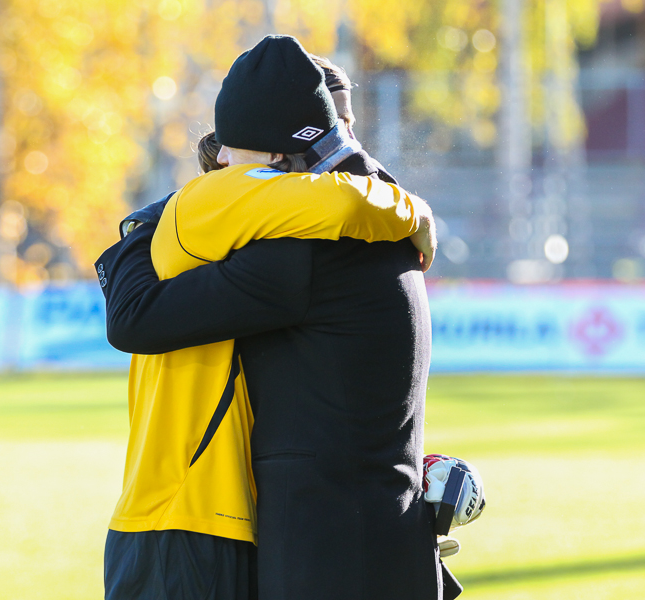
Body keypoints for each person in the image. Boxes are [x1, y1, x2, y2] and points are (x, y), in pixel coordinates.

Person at [99, 35, 461, 599]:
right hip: (359, 535)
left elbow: (132, 319)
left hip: (266, 540)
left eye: (233, 148)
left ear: (273, 158)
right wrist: (411, 207)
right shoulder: (366, 226)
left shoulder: (303, 242)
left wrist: (133, 235)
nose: (220, 159)